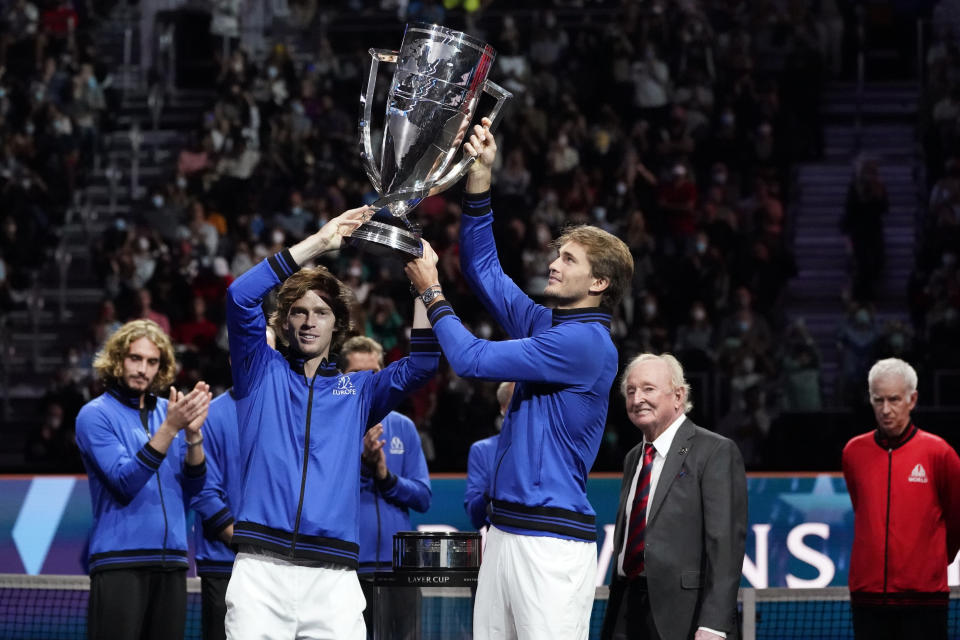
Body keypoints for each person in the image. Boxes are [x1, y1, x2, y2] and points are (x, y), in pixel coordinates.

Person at [405, 119, 634, 640]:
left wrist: (432, 294)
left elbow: (471, 360)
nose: (552, 264)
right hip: (505, 533)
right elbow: (485, 270)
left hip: (548, 543)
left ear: (598, 282)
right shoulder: (552, 325)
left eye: (568, 260)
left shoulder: (585, 344)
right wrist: (480, 175)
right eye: (556, 254)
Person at [223, 205, 441, 640]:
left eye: (320, 312)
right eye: (299, 312)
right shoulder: (260, 370)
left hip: (335, 577)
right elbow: (239, 296)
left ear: (337, 324)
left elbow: (422, 365)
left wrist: (427, 287)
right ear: (285, 322)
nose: (308, 322)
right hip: (260, 572)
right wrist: (320, 242)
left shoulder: (358, 391)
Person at [75, 319, 212, 640]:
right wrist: (170, 429)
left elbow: (195, 488)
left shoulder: (171, 412)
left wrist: (192, 436)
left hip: (173, 563)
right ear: (117, 359)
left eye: (152, 362)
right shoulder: (95, 415)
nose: (143, 369)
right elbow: (124, 482)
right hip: (120, 563)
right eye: (135, 358)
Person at [600, 353, 747, 640]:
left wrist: (714, 623)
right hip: (627, 609)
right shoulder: (633, 458)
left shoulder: (714, 451)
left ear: (678, 396)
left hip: (684, 617)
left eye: (648, 389)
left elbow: (725, 545)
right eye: (631, 391)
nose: (637, 398)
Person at [842, 358, 960, 640]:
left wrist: (929, 564)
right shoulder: (853, 452)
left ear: (913, 399)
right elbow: (862, 507)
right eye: (878, 399)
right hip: (867, 598)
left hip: (924, 599)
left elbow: (956, 519)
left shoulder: (940, 453)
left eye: (894, 399)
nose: (886, 410)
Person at [341, 335, 432, 640]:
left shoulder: (404, 427)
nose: (369, 381)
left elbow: (422, 497)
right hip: (350, 570)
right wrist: (365, 465)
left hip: (400, 570)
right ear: (344, 378)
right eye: (358, 374)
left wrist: (385, 476)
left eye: (375, 373)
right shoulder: (332, 427)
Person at [190, 328, 277, 640]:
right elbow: (203, 493)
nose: (260, 360)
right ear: (233, 359)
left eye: (268, 353)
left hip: (282, 568)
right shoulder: (210, 417)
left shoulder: (294, 415)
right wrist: (248, 544)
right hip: (225, 565)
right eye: (250, 352)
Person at [464, 381, 515, 530]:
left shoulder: (547, 449)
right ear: (503, 408)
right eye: (517, 402)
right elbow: (475, 516)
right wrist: (494, 487)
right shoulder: (482, 450)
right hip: (501, 540)